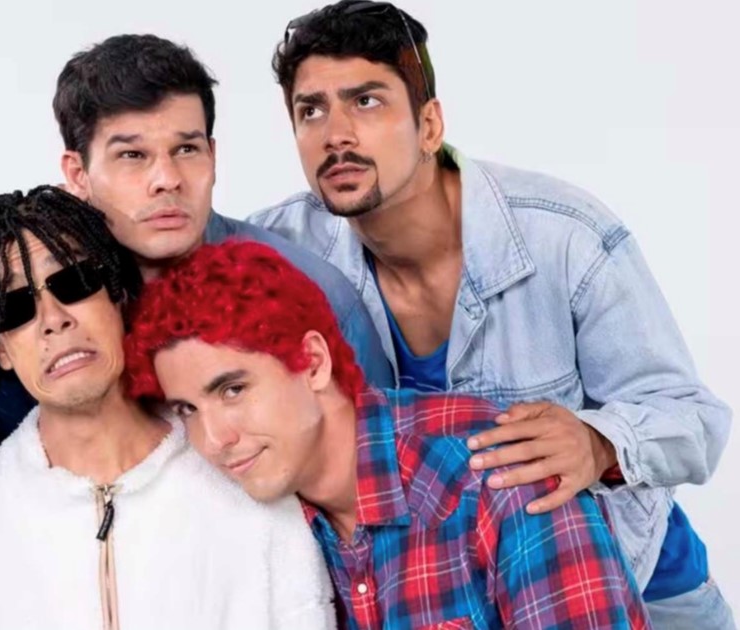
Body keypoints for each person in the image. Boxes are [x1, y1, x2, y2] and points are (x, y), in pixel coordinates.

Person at [247, 2, 733, 625]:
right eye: (310, 110)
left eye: (366, 101)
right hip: (447, 600)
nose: (335, 133)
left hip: (634, 583)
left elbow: (693, 418)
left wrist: (597, 442)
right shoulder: (282, 251)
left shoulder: (564, 236)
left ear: (428, 125)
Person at [0, 187, 335, 630]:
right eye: (15, 306)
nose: (53, 320)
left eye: (74, 281)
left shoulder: (251, 498)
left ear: (117, 292)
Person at [125, 240, 650, 629]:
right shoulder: (263, 526)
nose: (214, 438)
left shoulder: (498, 473)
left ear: (313, 363)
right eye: (188, 409)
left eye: (233, 390)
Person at [0, 33, 394, 463]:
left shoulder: (312, 293)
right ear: (78, 174)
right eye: (132, 156)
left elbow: (384, 463)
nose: (167, 179)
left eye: (186, 149)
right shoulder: (35, 324)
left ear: (212, 156)